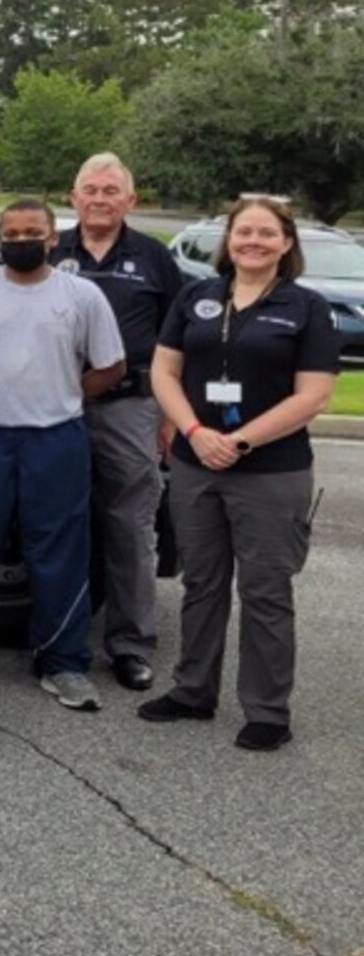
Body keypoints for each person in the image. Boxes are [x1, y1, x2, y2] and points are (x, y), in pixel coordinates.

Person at [141, 196, 338, 751]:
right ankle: (193, 689)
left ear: (286, 243)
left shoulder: (306, 307)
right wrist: (195, 432)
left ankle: (268, 709)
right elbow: (164, 369)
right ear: (227, 241)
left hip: (271, 469)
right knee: (201, 582)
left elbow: (315, 394)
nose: (253, 241)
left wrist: (241, 439)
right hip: (196, 462)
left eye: (265, 233)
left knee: (265, 589)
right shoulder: (197, 296)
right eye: (243, 232)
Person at [0, 198, 126, 707]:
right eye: (11, 233)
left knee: (58, 547)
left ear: (52, 237)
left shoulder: (81, 295)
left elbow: (112, 366)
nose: (20, 240)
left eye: (31, 232)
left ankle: (61, 660)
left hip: (55, 435)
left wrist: (65, 391)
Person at [54, 152, 190, 692]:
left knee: (131, 524)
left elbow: (181, 347)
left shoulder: (154, 259)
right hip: (56, 403)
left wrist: (171, 416)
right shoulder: (50, 250)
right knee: (55, 522)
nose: (100, 199)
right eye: (91, 189)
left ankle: (131, 645)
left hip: (130, 406)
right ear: (73, 197)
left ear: (130, 200)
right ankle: (59, 635)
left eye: (112, 190)